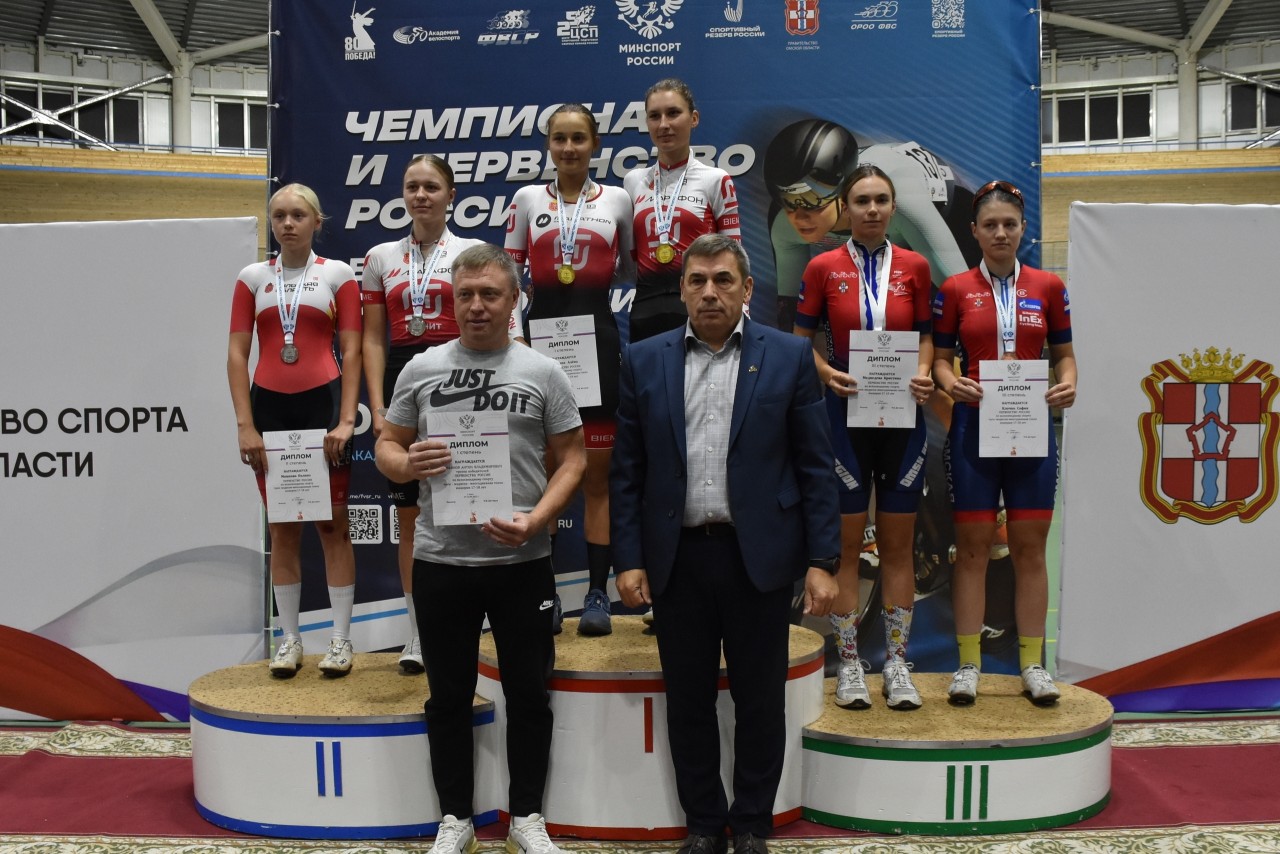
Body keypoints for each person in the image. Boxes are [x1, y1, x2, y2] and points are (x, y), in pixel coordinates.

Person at [611, 234, 840, 854]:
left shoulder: (789, 356)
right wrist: (628, 559)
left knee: (759, 699)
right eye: (697, 281)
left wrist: (823, 561)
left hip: (757, 558)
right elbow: (627, 472)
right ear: (682, 290)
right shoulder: (644, 358)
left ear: (747, 289)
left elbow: (815, 467)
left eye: (723, 280)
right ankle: (705, 824)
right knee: (688, 700)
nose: (709, 292)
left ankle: (753, 824)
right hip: (677, 558)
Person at [375, 243, 586, 854]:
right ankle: (455, 819)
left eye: (489, 294)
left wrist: (539, 519)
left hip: (522, 563)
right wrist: (405, 464)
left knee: (529, 694)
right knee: (447, 696)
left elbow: (574, 459)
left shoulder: (543, 372)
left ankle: (527, 817)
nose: (476, 306)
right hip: (441, 562)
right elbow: (387, 444)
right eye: (464, 295)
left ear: (514, 298)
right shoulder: (421, 369)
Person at [793, 164, 935, 711]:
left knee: (898, 547)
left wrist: (923, 371)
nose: (872, 210)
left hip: (902, 418)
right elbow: (801, 340)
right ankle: (851, 663)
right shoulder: (822, 267)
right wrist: (826, 373)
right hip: (843, 418)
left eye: (880, 200)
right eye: (861, 201)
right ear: (845, 208)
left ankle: (897, 663)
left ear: (893, 207)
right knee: (847, 548)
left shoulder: (915, 267)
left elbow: (927, 336)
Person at [931, 180, 1076, 706]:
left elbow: (1064, 355)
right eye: (990, 225)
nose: (1000, 233)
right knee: (972, 549)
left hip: (1030, 429)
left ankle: (1033, 665)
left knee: (1029, 549)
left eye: (1009, 224)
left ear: (1023, 229)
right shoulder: (954, 289)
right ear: (974, 231)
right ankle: (967, 665)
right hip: (974, 429)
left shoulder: (1048, 286)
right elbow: (939, 361)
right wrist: (952, 384)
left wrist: (1068, 383)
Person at [505, 103, 635, 636]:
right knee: (544, 476)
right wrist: (517, 339)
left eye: (579, 138)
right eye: (559, 138)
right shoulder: (526, 199)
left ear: (595, 144)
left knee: (597, 477)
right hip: (540, 350)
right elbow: (511, 275)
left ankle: (598, 594)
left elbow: (629, 268)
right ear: (548, 145)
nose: (569, 148)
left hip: (597, 347)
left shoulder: (619, 200)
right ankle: (548, 595)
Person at [227, 183, 363, 677]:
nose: (287, 223)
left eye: (298, 215)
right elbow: (237, 354)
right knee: (282, 529)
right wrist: (245, 425)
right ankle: (289, 640)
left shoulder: (338, 274)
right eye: (279, 215)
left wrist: (346, 419)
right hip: (270, 412)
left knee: (332, 526)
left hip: (322, 408)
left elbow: (352, 351)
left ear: (316, 222)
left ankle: (341, 641)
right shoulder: (251, 278)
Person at [360, 155, 487, 672]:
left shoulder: (471, 252)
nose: (421, 195)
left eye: (431, 187)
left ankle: (476, 624)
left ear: (451, 194)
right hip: (401, 379)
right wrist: (378, 405)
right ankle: (417, 633)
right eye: (412, 186)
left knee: (470, 501)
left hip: (457, 374)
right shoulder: (380, 257)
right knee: (410, 516)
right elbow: (372, 338)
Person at [762, 118, 979, 330]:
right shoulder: (783, 222)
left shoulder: (898, 200)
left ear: (845, 194)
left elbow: (965, 299)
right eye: (788, 201)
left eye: (813, 200)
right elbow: (793, 314)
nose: (799, 216)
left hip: (949, 214)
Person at [625, 78, 740, 343]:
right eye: (655, 116)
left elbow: (735, 255)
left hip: (701, 309)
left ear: (694, 118)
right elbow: (629, 257)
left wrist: (742, 311)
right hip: (645, 309)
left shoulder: (716, 179)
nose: (663, 124)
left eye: (673, 113)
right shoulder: (633, 181)